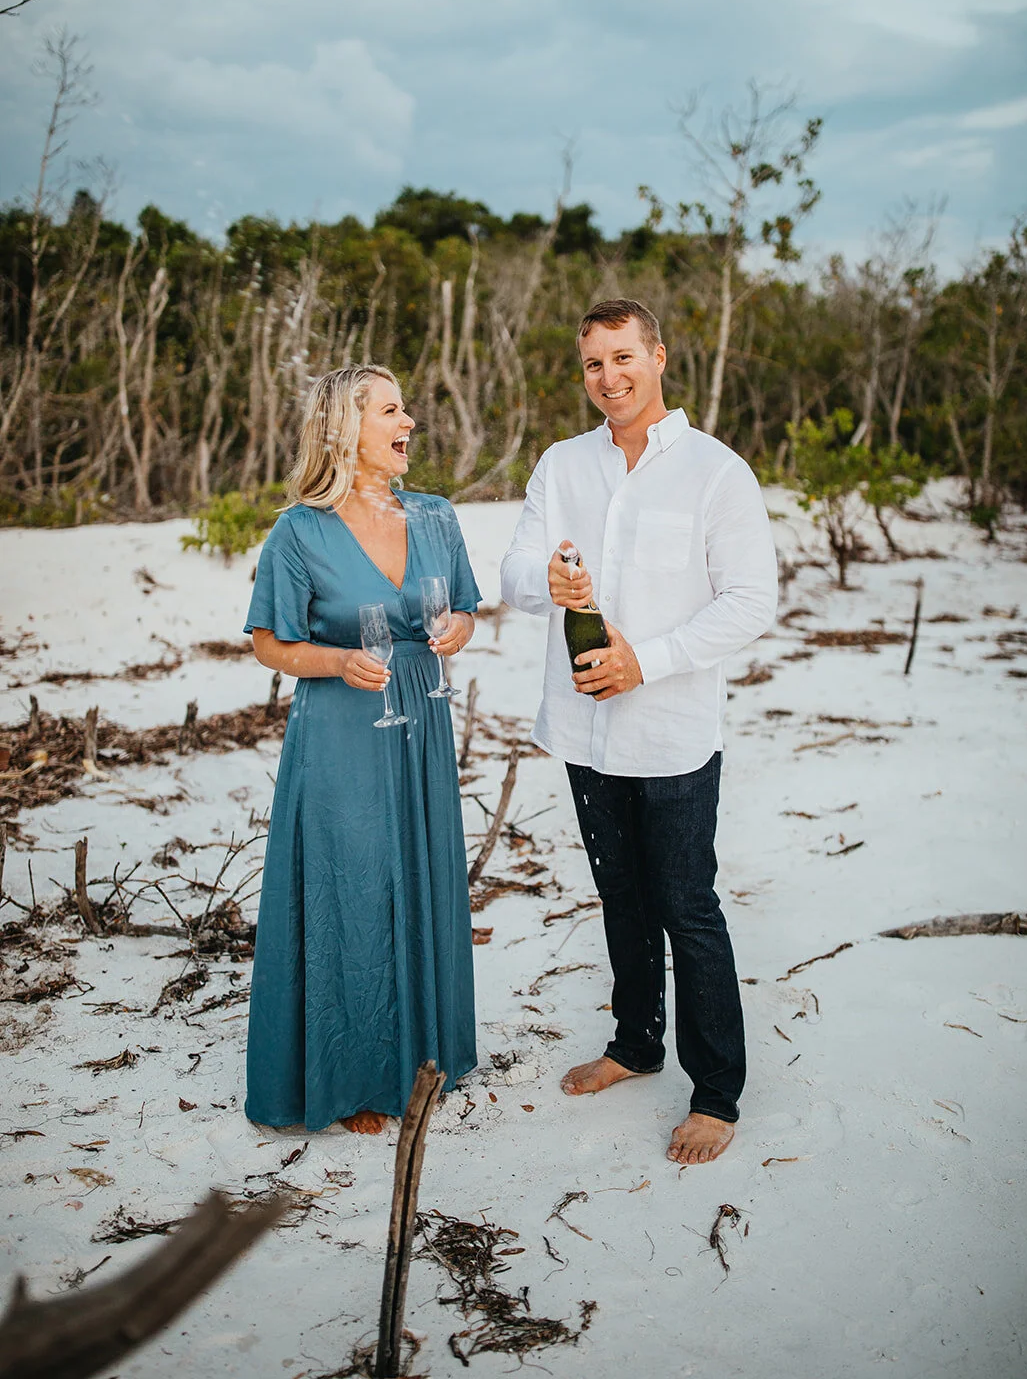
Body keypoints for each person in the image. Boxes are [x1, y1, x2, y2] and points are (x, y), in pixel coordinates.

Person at [500, 299, 777, 1164]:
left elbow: (750, 603)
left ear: (657, 356)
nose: (608, 378)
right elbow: (512, 578)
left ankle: (718, 1093)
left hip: (670, 729)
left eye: (623, 357)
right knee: (620, 894)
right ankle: (634, 1045)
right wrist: (545, 578)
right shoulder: (561, 464)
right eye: (592, 364)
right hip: (584, 730)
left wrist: (644, 660)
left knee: (686, 906)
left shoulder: (715, 472)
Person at [244, 364, 481, 1133]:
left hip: (422, 717)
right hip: (341, 727)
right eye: (389, 409)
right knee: (350, 885)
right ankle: (348, 1075)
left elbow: (467, 612)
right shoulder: (299, 530)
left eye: (404, 407)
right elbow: (268, 643)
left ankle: (421, 1055)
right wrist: (337, 662)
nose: (407, 420)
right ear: (345, 428)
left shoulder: (437, 516)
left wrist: (456, 633)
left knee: (418, 871)